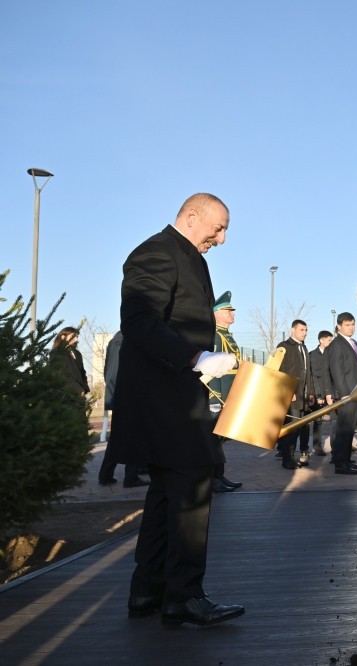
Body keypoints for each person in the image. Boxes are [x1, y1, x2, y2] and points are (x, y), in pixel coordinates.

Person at [105, 192, 244, 627]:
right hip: (162, 396)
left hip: (175, 393)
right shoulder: (155, 252)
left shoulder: (192, 259)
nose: (220, 239)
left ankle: (149, 590)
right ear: (191, 215)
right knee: (193, 486)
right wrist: (194, 358)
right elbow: (140, 322)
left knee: (166, 493)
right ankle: (184, 595)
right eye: (217, 228)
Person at [97, 331, 148, 488]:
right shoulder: (133, 339)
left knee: (117, 436)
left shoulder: (114, 341)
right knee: (136, 436)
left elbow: (107, 370)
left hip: (117, 393)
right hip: (131, 393)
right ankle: (131, 476)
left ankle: (106, 474)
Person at [207, 291, 242, 493]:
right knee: (213, 440)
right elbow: (212, 369)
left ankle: (219, 475)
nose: (233, 315)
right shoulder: (216, 336)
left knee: (218, 440)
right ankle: (213, 478)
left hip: (228, 395)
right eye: (229, 311)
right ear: (217, 313)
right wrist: (214, 399)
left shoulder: (226, 335)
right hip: (218, 396)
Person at [326, 312, 357, 474]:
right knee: (343, 429)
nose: (351, 328)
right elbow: (337, 371)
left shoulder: (353, 342)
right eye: (347, 325)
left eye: (353, 324)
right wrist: (343, 393)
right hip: (347, 394)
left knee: (350, 429)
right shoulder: (337, 344)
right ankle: (340, 465)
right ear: (339, 326)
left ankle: (346, 459)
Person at [276, 320, 315, 470]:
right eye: (301, 330)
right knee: (290, 429)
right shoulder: (284, 347)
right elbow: (279, 372)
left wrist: (310, 392)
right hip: (291, 396)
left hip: (303, 397)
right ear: (293, 330)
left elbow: (308, 372)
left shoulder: (304, 348)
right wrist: (288, 391)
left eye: (306, 330)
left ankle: (292, 457)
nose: (304, 333)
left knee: (298, 428)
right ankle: (287, 459)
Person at [309, 330, 335, 456]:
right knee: (318, 420)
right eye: (329, 340)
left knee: (335, 419)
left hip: (332, 392)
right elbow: (314, 376)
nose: (331, 342)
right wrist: (319, 395)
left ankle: (337, 445)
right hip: (319, 393)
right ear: (321, 340)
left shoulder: (332, 354)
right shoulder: (313, 355)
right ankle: (317, 446)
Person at [49, 327, 89, 397]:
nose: (76, 339)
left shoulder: (77, 354)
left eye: (77, 337)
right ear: (63, 337)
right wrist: (78, 389)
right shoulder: (57, 353)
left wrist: (84, 389)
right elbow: (61, 374)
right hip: (64, 395)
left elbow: (82, 372)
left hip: (79, 396)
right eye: (73, 336)